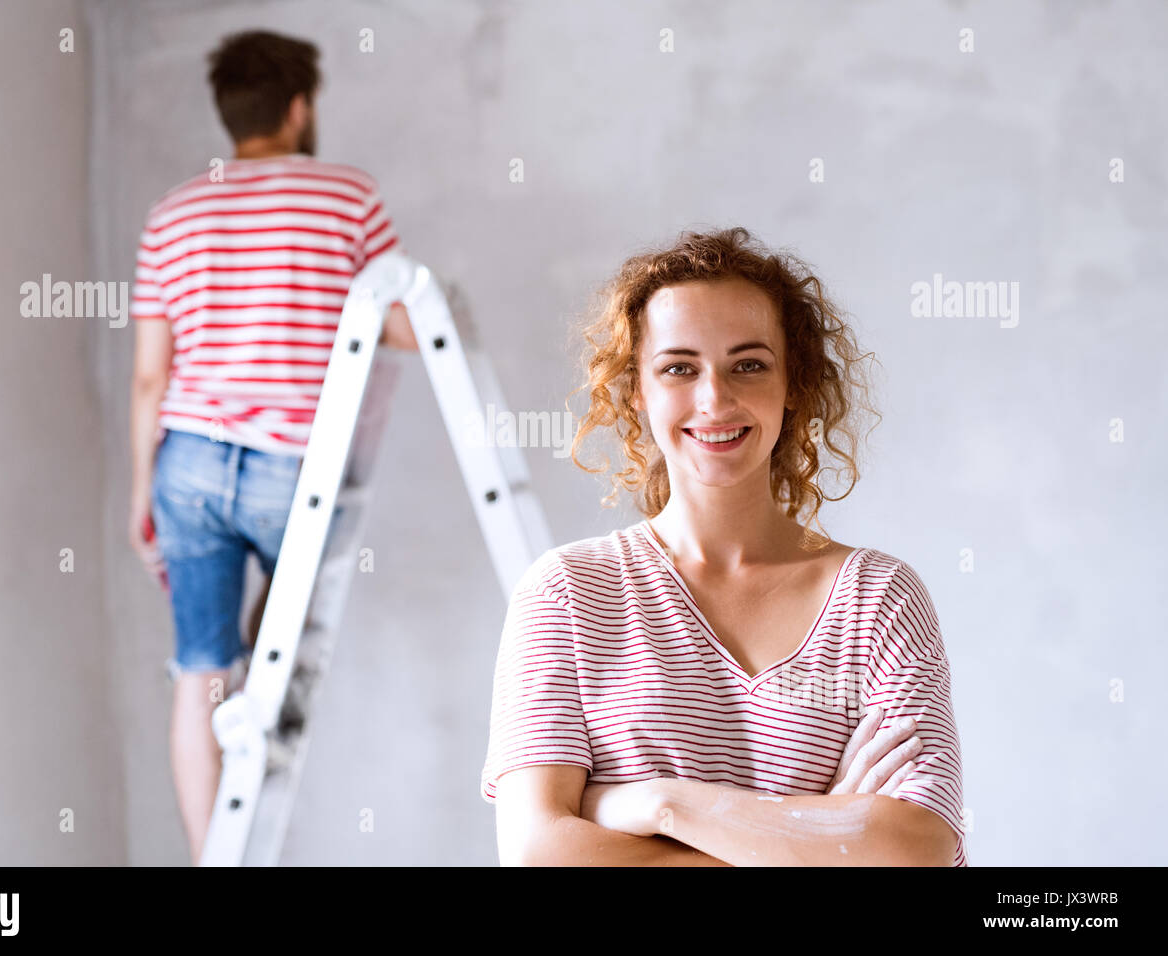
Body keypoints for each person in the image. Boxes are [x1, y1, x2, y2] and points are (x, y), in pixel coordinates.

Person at [480, 226, 967, 866]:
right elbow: (539, 854)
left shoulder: (878, 598)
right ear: (636, 391)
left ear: (793, 386)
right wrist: (821, 845)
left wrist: (664, 806)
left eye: (749, 365)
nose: (715, 398)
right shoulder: (566, 594)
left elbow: (918, 849)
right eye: (679, 368)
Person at [127, 30, 418, 864]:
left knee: (198, 670)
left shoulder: (172, 213)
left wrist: (138, 493)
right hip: (297, 467)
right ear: (299, 108)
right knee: (271, 654)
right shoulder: (344, 196)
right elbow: (399, 325)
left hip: (185, 463)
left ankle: (207, 856)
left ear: (231, 114)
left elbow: (152, 377)